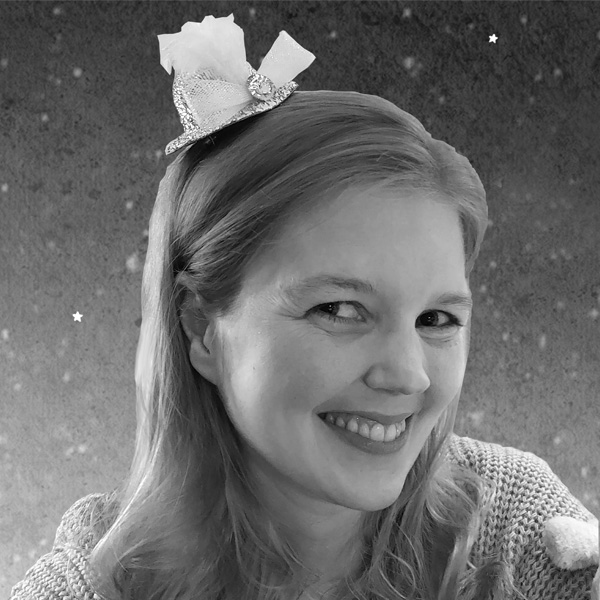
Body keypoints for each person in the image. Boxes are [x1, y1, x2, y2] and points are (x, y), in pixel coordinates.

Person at [10, 13, 598, 600]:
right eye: (340, 310)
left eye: (436, 320)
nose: (409, 375)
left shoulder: (519, 530)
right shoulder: (88, 587)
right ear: (201, 329)